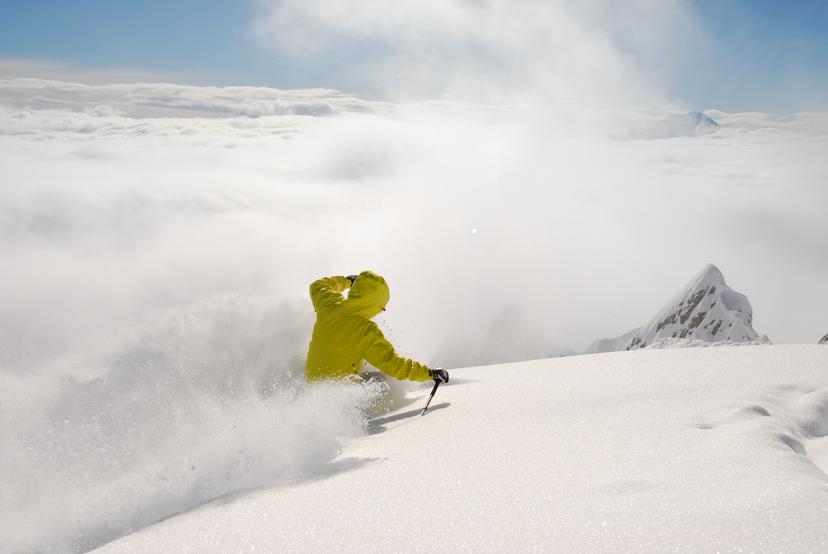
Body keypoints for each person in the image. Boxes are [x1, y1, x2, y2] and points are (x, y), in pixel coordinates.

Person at [305, 271, 449, 384]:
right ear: (375, 305)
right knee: (386, 385)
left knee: (372, 375)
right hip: (340, 395)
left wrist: (348, 281)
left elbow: (317, 285)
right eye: (381, 308)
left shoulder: (330, 304)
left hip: (311, 384)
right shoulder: (364, 330)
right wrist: (430, 374)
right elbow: (394, 365)